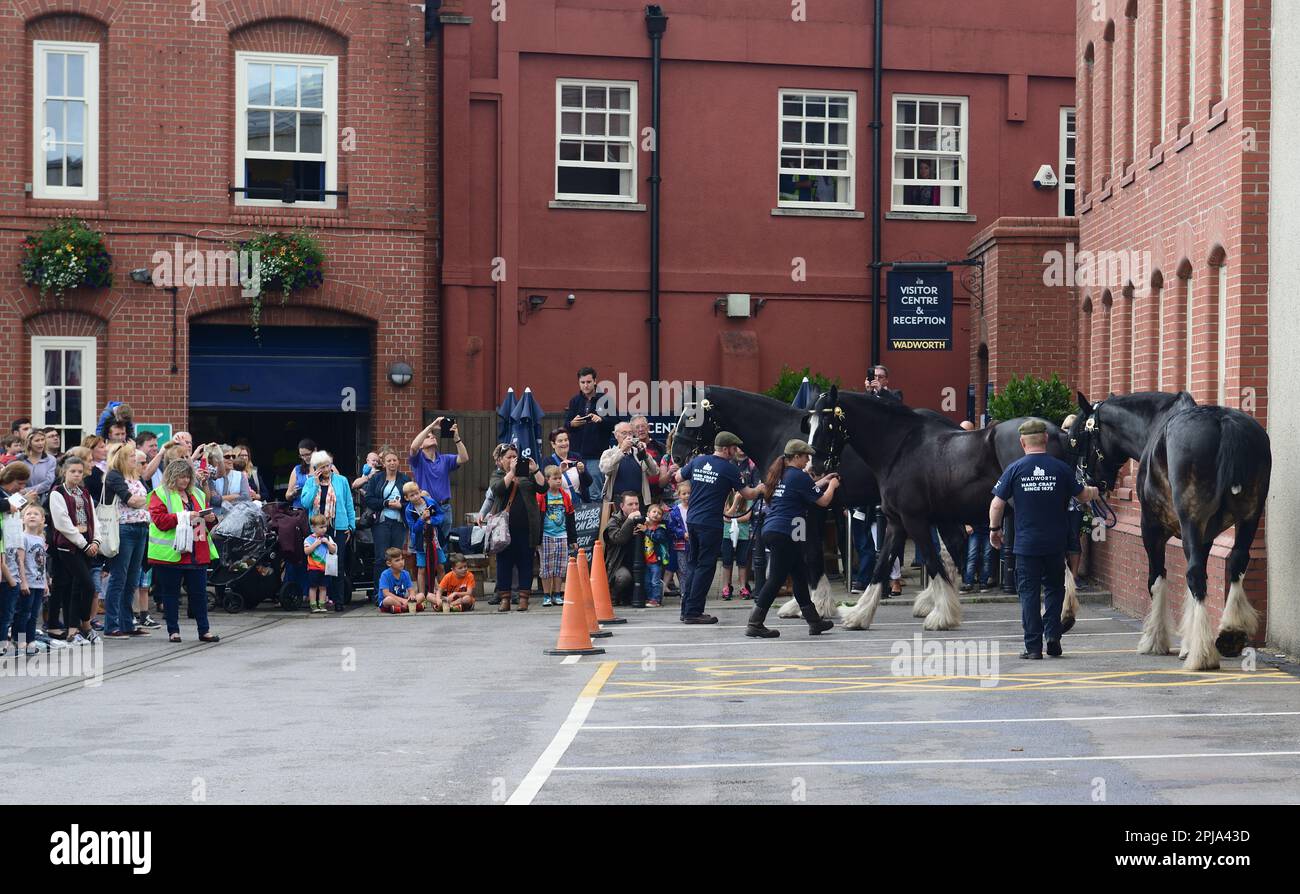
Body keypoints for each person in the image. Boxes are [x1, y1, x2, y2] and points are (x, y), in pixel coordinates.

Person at [989, 419, 1098, 660]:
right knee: (1054, 590)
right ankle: (1053, 637)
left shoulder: (1015, 469)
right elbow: (1081, 496)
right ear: (1046, 439)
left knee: (1028, 594)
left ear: (1022, 442)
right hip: (1055, 544)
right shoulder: (1061, 469)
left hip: (1026, 545)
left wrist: (994, 529)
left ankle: (1033, 647)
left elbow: (997, 503)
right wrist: (1094, 491)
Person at [745, 440, 840, 638]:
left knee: (799, 575)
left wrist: (821, 482)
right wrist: (832, 485)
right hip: (787, 532)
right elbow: (823, 501)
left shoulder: (781, 474)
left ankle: (814, 622)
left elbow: (804, 490)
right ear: (796, 457)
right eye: (805, 457)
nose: (807, 461)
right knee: (776, 579)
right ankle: (755, 622)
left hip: (774, 529)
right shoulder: (799, 476)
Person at [675, 432, 765, 624]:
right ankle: (694, 612)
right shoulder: (729, 469)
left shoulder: (699, 461)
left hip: (692, 520)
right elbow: (748, 494)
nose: (735, 451)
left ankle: (686, 610)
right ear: (725, 448)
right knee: (706, 567)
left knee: (693, 564)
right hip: (710, 523)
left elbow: (677, 477)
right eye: (734, 448)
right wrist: (761, 488)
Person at [147, 459, 220, 643]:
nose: (185, 480)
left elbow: (204, 523)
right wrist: (186, 516)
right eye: (181, 476)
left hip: (197, 551)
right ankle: (173, 631)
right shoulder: (160, 494)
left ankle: (204, 630)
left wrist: (210, 518)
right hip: (171, 554)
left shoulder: (198, 493)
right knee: (171, 594)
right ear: (172, 476)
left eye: (188, 476)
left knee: (199, 594)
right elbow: (160, 521)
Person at [49, 455, 101, 645]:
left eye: (80, 472)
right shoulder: (58, 493)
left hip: (87, 542)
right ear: (65, 472)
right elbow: (63, 523)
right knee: (87, 585)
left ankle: (74, 630)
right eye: (73, 471)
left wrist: (96, 540)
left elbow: (94, 518)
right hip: (68, 546)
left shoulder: (84, 493)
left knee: (77, 587)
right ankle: (85, 625)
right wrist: (84, 544)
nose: (77, 475)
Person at [487, 443, 544, 612]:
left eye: (515, 457)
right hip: (504, 530)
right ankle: (504, 598)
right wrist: (511, 472)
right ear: (501, 460)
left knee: (525, 562)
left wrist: (535, 470)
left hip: (527, 527)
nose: (512, 460)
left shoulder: (527, 474)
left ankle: (524, 598)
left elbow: (543, 487)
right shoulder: (497, 474)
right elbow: (498, 489)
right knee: (504, 563)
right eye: (509, 457)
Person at [297, 451, 356, 612]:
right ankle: (317, 601)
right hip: (317, 528)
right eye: (322, 467)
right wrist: (315, 484)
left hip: (337, 526)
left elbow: (349, 504)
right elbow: (306, 503)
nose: (326, 469)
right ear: (316, 468)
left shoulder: (341, 481)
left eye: (328, 465)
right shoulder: (310, 482)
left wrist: (351, 526)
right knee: (317, 564)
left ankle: (338, 600)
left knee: (337, 563)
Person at [103, 445, 151, 637]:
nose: (134, 459)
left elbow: (147, 499)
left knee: (132, 579)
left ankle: (126, 623)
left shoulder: (136, 477)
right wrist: (142, 499)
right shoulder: (114, 476)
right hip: (124, 528)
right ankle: (111, 625)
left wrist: (141, 499)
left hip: (141, 527)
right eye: (131, 456)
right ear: (121, 458)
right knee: (118, 577)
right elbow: (130, 500)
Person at [408, 416, 468, 549]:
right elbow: (413, 446)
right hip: (426, 507)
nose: (432, 437)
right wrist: (431, 426)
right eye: (428, 436)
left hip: (445, 508)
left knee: (442, 548)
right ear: (422, 445)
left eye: (433, 436)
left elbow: (464, 458)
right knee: (425, 547)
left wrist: (456, 438)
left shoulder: (445, 459)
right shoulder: (418, 460)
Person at [365, 449, 411, 594]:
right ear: (383, 464)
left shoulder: (405, 480)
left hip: (399, 523)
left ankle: (397, 591)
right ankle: (379, 593)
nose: (392, 463)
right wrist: (385, 503)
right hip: (381, 522)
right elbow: (369, 499)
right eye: (389, 461)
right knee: (381, 558)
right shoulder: (376, 479)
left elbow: (412, 501)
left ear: (398, 462)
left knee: (397, 558)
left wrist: (401, 506)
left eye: (394, 460)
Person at [563, 367, 612, 502]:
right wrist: (573, 424)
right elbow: (566, 425)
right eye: (582, 382)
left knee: (594, 494)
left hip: (596, 456)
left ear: (595, 381)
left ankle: (596, 523)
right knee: (574, 492)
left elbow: (615, 422)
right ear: (579, 383)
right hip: (575, 455)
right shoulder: (574, 401)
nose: (586, 385)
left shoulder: (606, 400)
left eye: (589, 382)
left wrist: (601, 420)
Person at [0, 463, 31, 655]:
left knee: (10, 608)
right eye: (19, 483)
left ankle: (5, 639)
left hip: (11, 552)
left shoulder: (9, 496)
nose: (20, 487)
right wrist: (11, 504)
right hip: (4, 555)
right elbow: (6, 505)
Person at [537, 465, 578, 606]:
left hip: (562, 535)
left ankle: (557, 593)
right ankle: (546, 595)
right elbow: (537, 518)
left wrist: (573, 539)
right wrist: (537, 539)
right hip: (547, 535)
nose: (559, 481)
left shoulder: (565, 496)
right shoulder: (542, 496)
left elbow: (571, 517)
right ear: (547, 480)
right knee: (546, 566)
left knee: (560, 566)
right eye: (555, 478)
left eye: (560, 478)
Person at [599, 421, 661, 511]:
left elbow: (655, 472)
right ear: (616, 435)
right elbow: (605, 469)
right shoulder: (609, 453)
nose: (628, 436)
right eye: (624, 433)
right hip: (617, 501)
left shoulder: (638, 452)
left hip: (638, 501)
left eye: (630, 433)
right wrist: (622, 451)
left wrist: (645, 455)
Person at [13, 505, 49, 654]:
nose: (32, 516)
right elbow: (19, 561)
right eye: (28, 514)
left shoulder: (41, 538)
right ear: (22, 519)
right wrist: (23, 581)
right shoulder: (22, 537)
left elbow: (42, 563)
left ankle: (31, 640)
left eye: (36, 514)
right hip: (27, 582)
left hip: (39, 582)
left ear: (42, 520)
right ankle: (19, 640)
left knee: (34, 614)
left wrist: (46, 582)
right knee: (23, 613)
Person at [602, 491, 645, 608]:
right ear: (622, 506)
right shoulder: (614, 521)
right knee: (624, 577)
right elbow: (618, 539)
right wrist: (630, 521)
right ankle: (613, 596)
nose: (634, 507)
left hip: (638, 563)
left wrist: (647, 529)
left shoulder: (642, 518)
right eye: (630, 504)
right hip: (618, 565)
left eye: (636, 504)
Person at [402, 481, 444, 598]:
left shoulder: (430, 502)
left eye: (417, 493)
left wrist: (432, 521)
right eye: (412, 495)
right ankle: (422, 595)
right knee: (421, 568)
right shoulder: (408, 510)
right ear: (406, 498)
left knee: (440, 566)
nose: (415, 496)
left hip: (434, 538)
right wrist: (421, 519)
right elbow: (413, 529)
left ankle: (443, 592)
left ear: (420, 492)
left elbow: (440, 515)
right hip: (420, 542)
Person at [720, 491, 752, 600]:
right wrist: (736, 501)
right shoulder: (726, 496)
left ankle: (743, 586)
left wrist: (732, 519)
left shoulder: (748, 497)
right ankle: (726, 586)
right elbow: (725, 516)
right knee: (727, 561)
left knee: (742, 561)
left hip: (743, 535)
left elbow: (747, 516)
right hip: (727, 534)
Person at [547, 428, 592, 504]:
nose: (564, 443)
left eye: (566, 440)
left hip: (579, 504)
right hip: (559, 504)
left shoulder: (576, 457)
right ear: (553, 444)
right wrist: (559, 471)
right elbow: (546, 486)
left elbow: (588, 482)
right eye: (560, 441)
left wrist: (582, 472)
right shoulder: (548, 461)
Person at [304, 515, 338, 614]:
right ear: (313, 527)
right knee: (313, 586)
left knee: (323, 586)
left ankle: (322, 604)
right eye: (321, 527)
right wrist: (315, 544)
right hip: (313, 568)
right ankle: (313, 604)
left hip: (325, 568)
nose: (324, 529)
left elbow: (334, 550)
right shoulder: (308, 539)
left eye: (325, 527)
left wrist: (327, 543)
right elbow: (306, 551)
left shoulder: (328, 538)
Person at [210, 444, 252, 519]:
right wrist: (236, 496)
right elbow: (214, 500)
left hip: (237, 518)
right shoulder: (211, 475)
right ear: (218, 459)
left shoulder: (240, 475)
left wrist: (221, 498)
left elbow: (246, 497)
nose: (231, 459)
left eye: (233, 456)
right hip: (216, 518)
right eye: (227, 457)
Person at [665, 480, 690, 598]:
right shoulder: (675, 511)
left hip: (693, 543)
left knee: (692, 568)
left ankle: (692, 591)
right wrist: (682, 533)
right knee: (682, 569)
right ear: (679, 495)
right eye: (684, 494)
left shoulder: (695, 508)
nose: (687, 496)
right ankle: (684, 592)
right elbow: (672, 527)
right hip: (680, 544)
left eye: (689, 493)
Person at [377, 547, 421, 613]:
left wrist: (412, 595)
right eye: (397, 560)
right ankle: (409, 607)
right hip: (389, 602)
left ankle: (400, 608)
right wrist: (402, 600)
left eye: (402, 559)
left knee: (421, 596)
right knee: (388, 599)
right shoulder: (385, 575)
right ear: (389, 563)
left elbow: (411, 590)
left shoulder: (406, 574)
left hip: (402, 601)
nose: (401, 562)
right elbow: (386, 593)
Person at [643, 502, 671, 607]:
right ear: (648, 514)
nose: (656, 514)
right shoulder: (644, 525)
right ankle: (650, 598)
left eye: (659, 513)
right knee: (647, 581)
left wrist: (646, 531)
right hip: (646, 560)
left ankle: (656, 599)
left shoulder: (661, 528)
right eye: (654, 512)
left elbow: (658, 538)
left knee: (655, 581)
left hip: (656, 560)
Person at [20, 430, 57, 499]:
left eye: (42, 440)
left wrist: (26, 490)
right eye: (37, 441)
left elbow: (48, 483)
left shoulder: (51, 460)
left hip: (43, 499)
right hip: (22, 498)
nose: (40, 443)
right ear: (29, 443)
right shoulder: (21, 459)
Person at [284, 439, 317, 505]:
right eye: (302, 455)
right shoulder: (297, 469)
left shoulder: (327, 467)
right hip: (300, 511)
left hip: (319, 511)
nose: (305, 458)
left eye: (307, 454)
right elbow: (287, 496)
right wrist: (293, 493)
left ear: (315, 450)